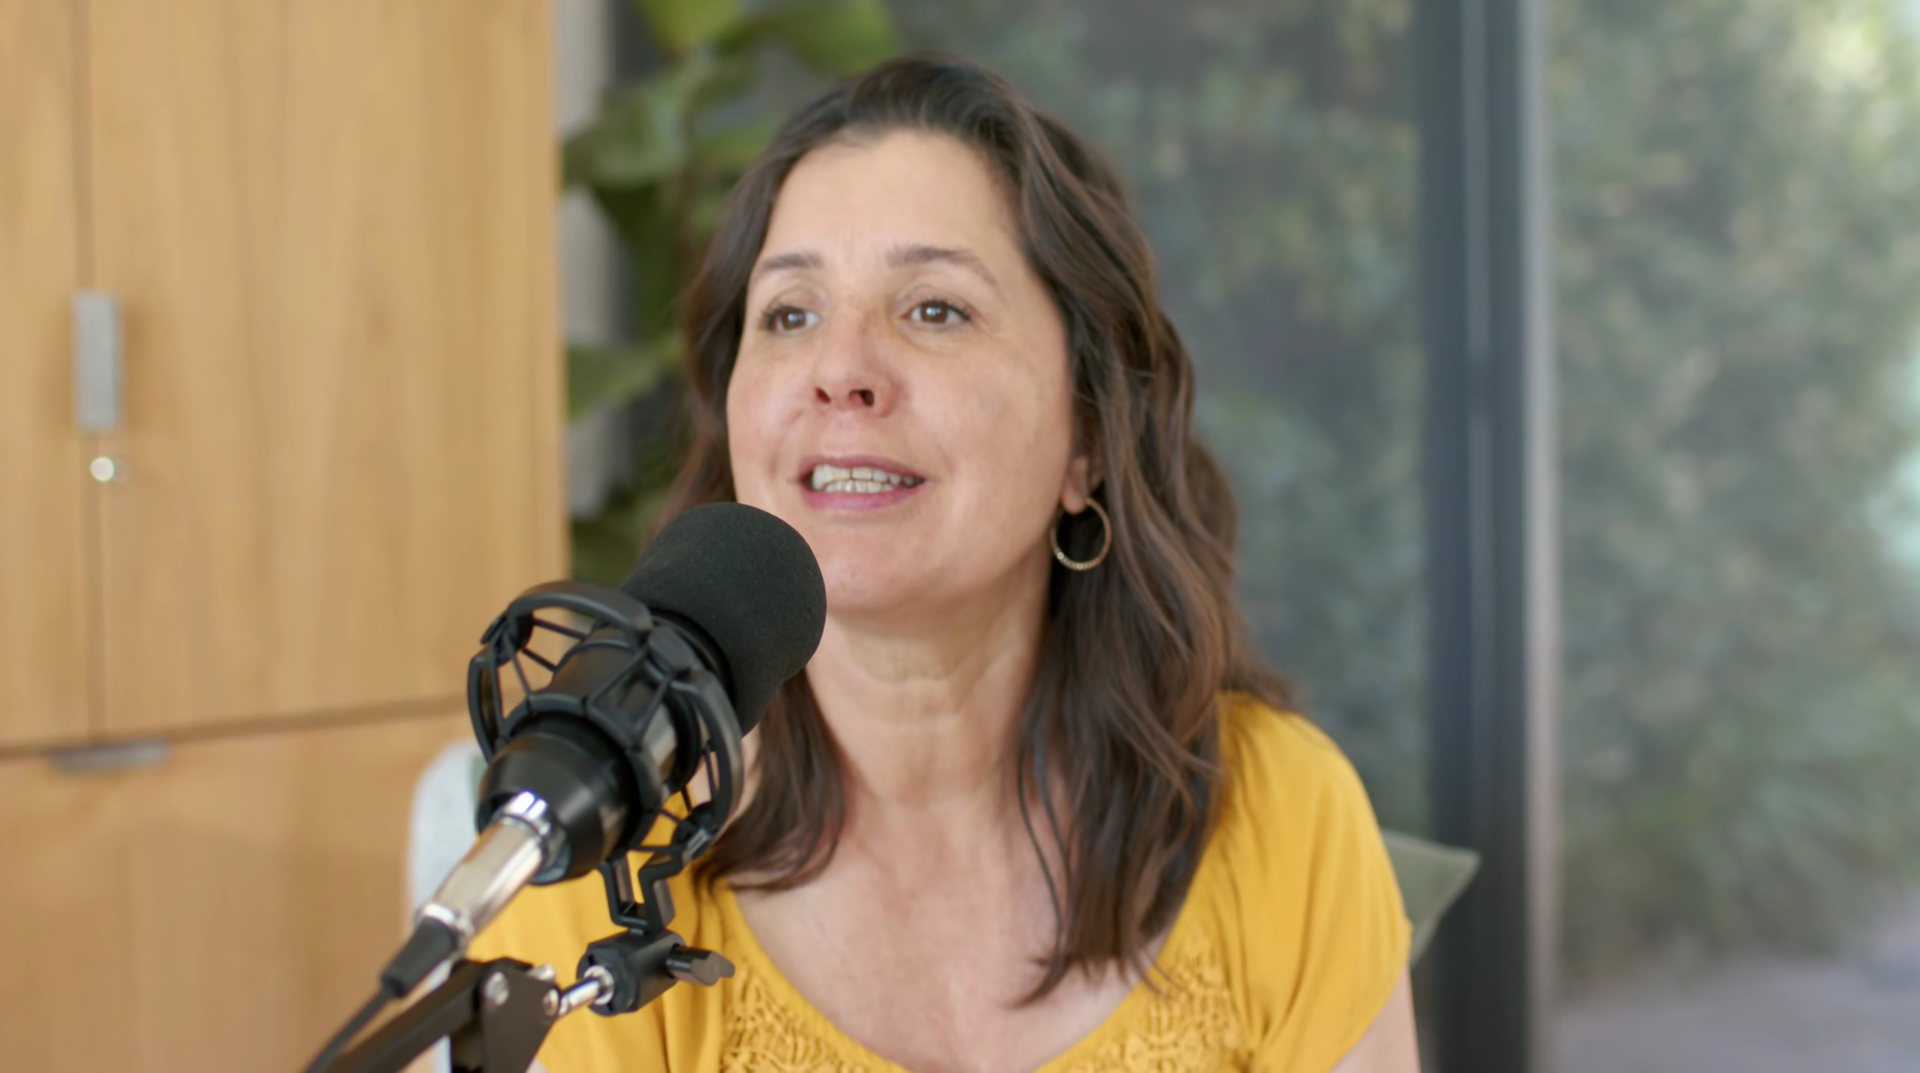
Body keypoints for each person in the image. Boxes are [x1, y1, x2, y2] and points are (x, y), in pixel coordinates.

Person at [477, 53, 1417, 1072]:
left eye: (935, 308)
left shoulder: (1284, 817)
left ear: (1089, 438)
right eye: (790, 314)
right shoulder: (595, 857)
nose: (840, 369)